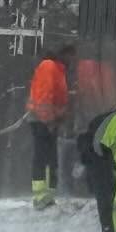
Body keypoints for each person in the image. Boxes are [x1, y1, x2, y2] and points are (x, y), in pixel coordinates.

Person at [25, 43, 73, 208]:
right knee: (44, 156)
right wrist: (49, 120)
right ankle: (41, 197)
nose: (73, 61)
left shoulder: (58, 69)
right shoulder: (50, 67)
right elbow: (44, 97)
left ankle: (48, 195)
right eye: (71, 56)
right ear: (64, 54)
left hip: (47, 120)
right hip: (42, 120)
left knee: (49, 157)